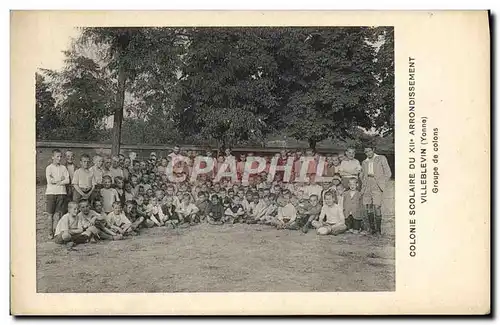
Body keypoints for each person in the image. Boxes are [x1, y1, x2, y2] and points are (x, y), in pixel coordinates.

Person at [360, 146, 392, 235]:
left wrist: (382, 182)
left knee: (377, 206)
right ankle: (372, 229)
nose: (368, 153)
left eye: (369, 151)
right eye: (366, 152)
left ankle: (378, 230)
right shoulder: (364, 162)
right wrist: (363, 182)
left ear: (373, 150)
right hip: (367, 184)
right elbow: (363, 175)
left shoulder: (381, 158)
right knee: (368, 206)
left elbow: (388, 173)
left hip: (377, 183)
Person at [45, 149, 70, 239]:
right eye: (57, 156)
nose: (59, 158)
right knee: (50, 214)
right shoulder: (49, 168)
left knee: (58, 214)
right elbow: (49, 181)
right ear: (53, 157)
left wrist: (58, 181)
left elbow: (67, 180)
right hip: (51, 193)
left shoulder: (63, 168)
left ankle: (57, 231)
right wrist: (61, 179)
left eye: (60, 157)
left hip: (61, 192)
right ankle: (50, 232)